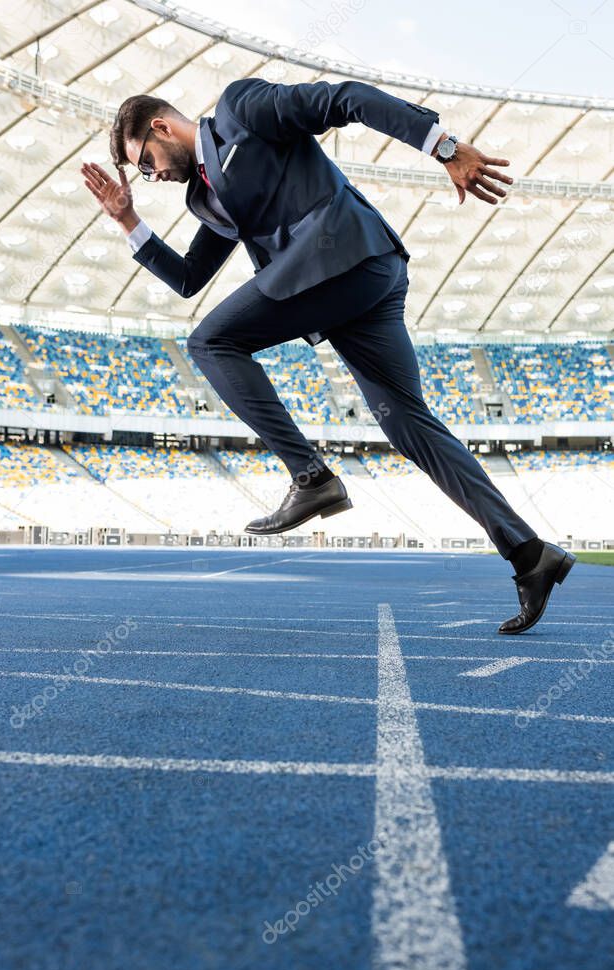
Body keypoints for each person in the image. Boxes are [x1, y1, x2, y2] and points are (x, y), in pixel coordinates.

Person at [80, 77, 575, 634]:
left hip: (344, 254)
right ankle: (529, 555)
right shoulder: (205, 197)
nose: (152, 177)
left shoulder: (240, 110)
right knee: (410, 427)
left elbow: (346, 99)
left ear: (162, 127)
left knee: (210, 341)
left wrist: (443, 145)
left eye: (144, 163)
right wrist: (127, 220)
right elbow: (190, 279)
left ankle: (310, 476)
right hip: (353, 288)